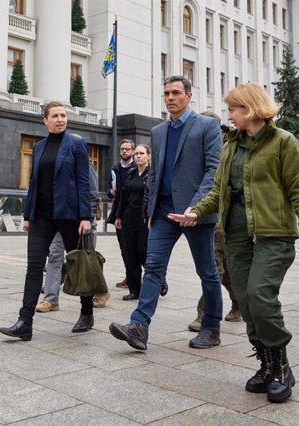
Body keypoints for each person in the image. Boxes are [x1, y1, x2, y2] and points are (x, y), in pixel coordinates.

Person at [168, 83, 299, 403]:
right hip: (237, 236)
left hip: (273, 236)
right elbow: (218, 191)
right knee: (245, 301)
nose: (229, 115)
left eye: (234, 109)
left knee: (260, 296)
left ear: (252, 109)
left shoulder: (284, 142)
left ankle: (281, 366)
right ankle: (266, 364)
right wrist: (196, 210)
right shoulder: (232, 146)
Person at [108, 75, 224, 352]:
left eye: (175, 93)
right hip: (163, 213)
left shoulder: (208, 127)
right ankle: (139, 325)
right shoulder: (158, 132)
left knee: (207, 271)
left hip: (196, 213)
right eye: (166, 94)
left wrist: (196, 207)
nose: (170, 98)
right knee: (154, 268)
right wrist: (150, 210)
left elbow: (213, 171)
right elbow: (155, 174)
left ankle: (211, 327)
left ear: (188, 95)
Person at [0, 101, 93, 341]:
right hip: (41, 216)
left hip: (70, 215)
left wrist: (86, 216)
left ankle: (87, 313)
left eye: (63, 115)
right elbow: (34, 183)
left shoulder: (76, 145)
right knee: (33, 267)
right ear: (45, 120)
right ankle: (24, 322)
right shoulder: (39, 147)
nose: (61, 119)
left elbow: (83, 182)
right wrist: (28, 215)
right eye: (55, 116)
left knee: (79, 264)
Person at [189, 111, 240, 331]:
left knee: (215, 266)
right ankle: (238, 302)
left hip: (225, 214)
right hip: (207, 211)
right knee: (222, 266)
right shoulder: (197, 146)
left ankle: (204, 314)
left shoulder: (229, 147)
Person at [35, 162, 108, 312]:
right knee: (55, 255)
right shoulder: (56, 165)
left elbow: (93, 194)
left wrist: (88, 218)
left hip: (82, 220)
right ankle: (50, 300)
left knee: (87, 259)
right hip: (60, 219)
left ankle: (102, 292)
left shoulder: (85, 165)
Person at [115, 144, 151, 300]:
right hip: (128, 217)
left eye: (141, 153)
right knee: (129, 254)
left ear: (148, 156)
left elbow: (155, 198)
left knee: (143, 251)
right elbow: (123, 197)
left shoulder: (153, 175)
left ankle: (159, 278)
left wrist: (152, 217)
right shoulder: (130, 173)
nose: (138, 156)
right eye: (136, 153)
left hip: (144, 219)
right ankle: (134, 290)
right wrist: (118, 216)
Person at [106, 139, 135, 290]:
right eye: (122, 149)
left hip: (133, 212)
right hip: (119, 212)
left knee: (136, 248)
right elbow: (109, 189)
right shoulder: (115, 168)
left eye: (127, 149)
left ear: (132, 151)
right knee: (124, 248)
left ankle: (138, 277)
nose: (124, 151)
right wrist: (111, 192)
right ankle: (129, 276)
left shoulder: (137, 167)